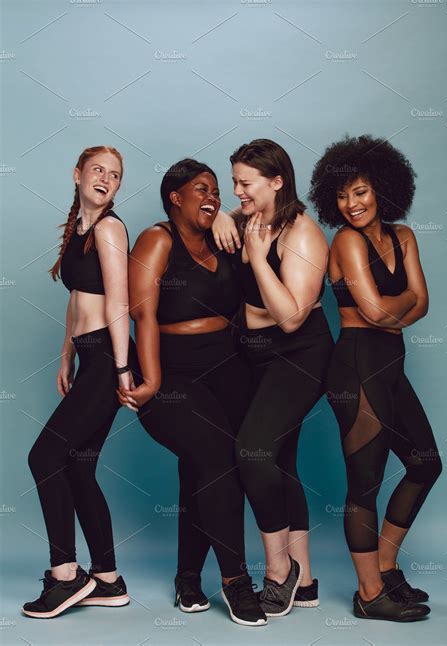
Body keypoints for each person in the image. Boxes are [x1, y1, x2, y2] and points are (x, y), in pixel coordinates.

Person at [118, 159, 267, 627]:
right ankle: (236, 581)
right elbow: (141, 314)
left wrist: (222, 214)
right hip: (172, 373)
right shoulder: (156, 238)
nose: (214, 195)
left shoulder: (223, 236)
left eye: (218, 190)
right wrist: (153, 379)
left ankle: (187, 578)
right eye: (201, 189)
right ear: (174, 198)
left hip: (228, 366)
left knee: (208, 469)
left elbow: (264, 211)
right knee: (215, 459)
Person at [308, 134, 442, 621]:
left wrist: (396, 309)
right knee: (364, 482)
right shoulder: (345, 239)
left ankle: (385, 568)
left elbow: (418, 306)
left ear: (383, 188)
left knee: (425, 463)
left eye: (360, 192)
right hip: (355, 365)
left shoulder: (404, 236)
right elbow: (374, 309)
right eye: (342, 196)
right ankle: (368, 595)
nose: (351, 204)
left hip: (390, 362)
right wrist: (401, 304)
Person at [212, 139, 334, 616]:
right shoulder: (244, 220)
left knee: (253, 451)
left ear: (277, 181)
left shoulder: (302, 234)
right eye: (234, 182)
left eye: (245, 183)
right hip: (254, 355)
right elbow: (218, 214)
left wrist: (259, 258)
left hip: (299, 353)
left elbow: (290, 319)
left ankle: (280, 572)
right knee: (280, 462)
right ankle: (307, 583)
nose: (236, 191)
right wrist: (223, 214)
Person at [23, 146, 135, 618]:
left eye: (114, 174)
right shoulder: (78, 229)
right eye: (98, 170)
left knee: (45, 456)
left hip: (109, 359)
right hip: (88, 358)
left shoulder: (110, 228)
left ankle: (65, 575)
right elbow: (77, 300)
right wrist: (66, 356)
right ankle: (107, 580)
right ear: (78, 175)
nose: (106, 179)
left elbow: (117, 302)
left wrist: (124, 370)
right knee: (79, 467)